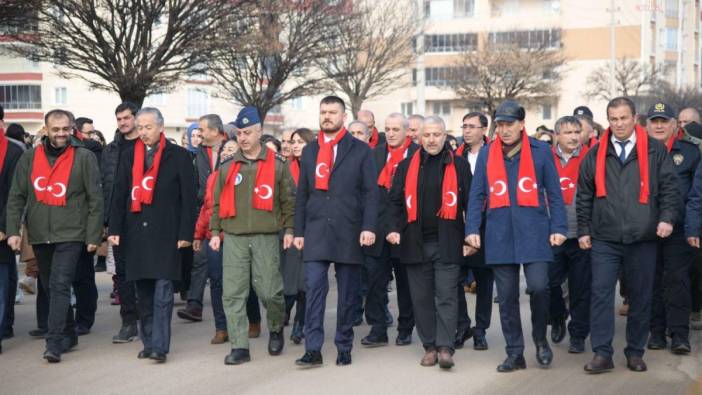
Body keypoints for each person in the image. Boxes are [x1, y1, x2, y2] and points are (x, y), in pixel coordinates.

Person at [577, 97, 680, 373]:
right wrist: (584, 230)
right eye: (613, 119)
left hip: (642, 237)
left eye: (624, 118)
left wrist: (667, 218)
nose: (619, 124)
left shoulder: (655, 151)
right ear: (608, 121)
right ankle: (602, 353)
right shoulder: (595, 153)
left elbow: (671, 187)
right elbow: (584, 195)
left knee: (641, 296)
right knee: (600, 295)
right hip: (604, 239)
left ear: (635, 118)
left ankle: (635, 352)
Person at [466, 100, 567, 373]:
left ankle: (540, 340)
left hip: (534, 232)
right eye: (500, 124)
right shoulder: (488, 154)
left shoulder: (541, 151)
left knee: (538, 287)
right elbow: (477, 195)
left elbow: (555, 195)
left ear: (522, 125)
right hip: (499, 233)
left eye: (509, 124)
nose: (504, 130)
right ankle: (515, 353)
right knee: (507, 296)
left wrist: (559, 228)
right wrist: (472, 230)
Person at [6, 109, 103, 362]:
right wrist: (14, 230)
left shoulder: (84, 157)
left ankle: (54, 341)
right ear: (46, 130)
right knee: (50, 287)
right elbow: (16, 196)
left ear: (72, 129)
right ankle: (69, 333)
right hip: (39, 233)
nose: (61, 134)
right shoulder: (29, 158)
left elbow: (95, 199)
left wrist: (93, 236)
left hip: (71, 233)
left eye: (66, 129)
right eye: (56, 129)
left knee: (60, 285)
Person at [293, 96, 378, 367]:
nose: (327, 116)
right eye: (323, 112)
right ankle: (313, 348)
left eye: (332, 112)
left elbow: (371, 193)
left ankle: (344, 344)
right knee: (314, 289)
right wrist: (298, 230)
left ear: (343, 116)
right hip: (316, 229)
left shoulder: (360, 150)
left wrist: (368, 227)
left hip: (349, 230)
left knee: (348, 293)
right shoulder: (310, 151)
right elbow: (303, 194)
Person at [107, 108, 197, 363]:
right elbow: (119, 194)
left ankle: (160, 345)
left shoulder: (178, 156)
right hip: (136, 233)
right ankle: (148, 342)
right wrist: (114, 228)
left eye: (148, 127)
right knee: (143, 293)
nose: (144, 132)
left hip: (167, 234)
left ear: (161, 127)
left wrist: (186, 233)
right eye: (141, 127)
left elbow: (189, 199)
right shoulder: (128, 155)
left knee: (163, 292)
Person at [209, 106, 295, 365]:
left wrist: (289, 230)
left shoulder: (278, 166)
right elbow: (215, 202)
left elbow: (289, 201)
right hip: (234, 237)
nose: (243, 138)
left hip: (266, 237)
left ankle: (276, 327)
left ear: (259, 131)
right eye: (239, 134)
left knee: (270, 292)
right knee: (233, 294)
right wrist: (214, 232)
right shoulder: (227, 166)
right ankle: (239, 346)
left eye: (247, 132)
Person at [386, 115, 471, 369]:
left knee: (446, 296)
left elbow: (472, 203)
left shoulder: (459, 165)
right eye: (427, 135)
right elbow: (393, 203)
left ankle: (446, 347)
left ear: (445, 137)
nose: (431, 139)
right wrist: (392, 228)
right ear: (419, 138)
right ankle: (430, 346)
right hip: (415, 242)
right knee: (421, 298)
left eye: (437, 135)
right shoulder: (405, 167)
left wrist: (472, 235)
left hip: (448, 241)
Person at [644, 102, 699, 354]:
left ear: (674, 125)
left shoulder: (689, 152)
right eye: (654, 121)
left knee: (677, 281)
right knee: (650, 280)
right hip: (646, 227)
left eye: (663, 121)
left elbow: (694, 194)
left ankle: (679, 334)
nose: (658, 125)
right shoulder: (639, 152)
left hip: (677, 228)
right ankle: (656, 332)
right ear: (646, 125)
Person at [360, 113, 418, 349]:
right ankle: (378, 328)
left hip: (405, 231)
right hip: (377, 230)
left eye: (396, 129)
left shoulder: (416, 154)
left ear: (406, 131)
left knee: (405, 284)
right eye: (388, 129)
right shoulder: (375, 154)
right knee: (374, 282)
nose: (391, 133)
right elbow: (367, 192)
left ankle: (405, 328)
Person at [547, 116, 592, 353]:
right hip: (553, 233)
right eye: (568, 132)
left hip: (581, 234)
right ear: (557, 135)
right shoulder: (544, 157)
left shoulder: (591, 157)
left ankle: (578, 334)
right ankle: (556, 317)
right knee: (549, 284)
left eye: (577, 131)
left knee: (581, 288)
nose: (574, 137)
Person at [178, 114, 228, 324]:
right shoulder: (200, 153)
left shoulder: (232, 148)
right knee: (200, 259)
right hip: (204, 212)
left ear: (215, 132)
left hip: (227, 214)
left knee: (224, 267)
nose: (199, 134)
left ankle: (231, 309)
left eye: (203, 130)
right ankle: (194, 305)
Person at [193, 139, 239, 345]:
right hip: (215, 238)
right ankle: (222, 327)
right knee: (217, 281)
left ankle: (251, 318)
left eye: (232, 150)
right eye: (224, 150)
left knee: (241, 283)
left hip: (238, 237)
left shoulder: (243, 176)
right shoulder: (213, 178)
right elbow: (207, 208)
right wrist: (198, 234)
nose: (227, 153)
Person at [102, 102, 141, 344]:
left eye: (127, 118)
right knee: (122, 274)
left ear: (136, 118)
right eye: (119, 119)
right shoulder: (111, 150)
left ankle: (148, 318)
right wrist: (106, 221)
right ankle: (128, 323)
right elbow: (105, 186)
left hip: (144, 217)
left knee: (145, 272)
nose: (123, 122)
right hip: (118, 219)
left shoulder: (147, 146)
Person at [454, 112, 493, 351]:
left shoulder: (493, 155)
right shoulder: (455, 156)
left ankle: (481, 329)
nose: (467, 131)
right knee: (454, 278)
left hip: (486, 224)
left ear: (484, 130)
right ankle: (463, 325)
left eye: (472, 127)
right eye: (464, 126)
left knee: (484, 280)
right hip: (458, 224)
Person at [283, 128, 314, 344]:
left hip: (311, 229)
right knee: (288, 280)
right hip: (288, 230)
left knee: (305, 282)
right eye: (293, 142)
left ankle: (300, 323)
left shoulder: (317, 167)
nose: (295, 145)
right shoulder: (285, 168)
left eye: (300, 142)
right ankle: (284, 312)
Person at [0, 123, 24, 353]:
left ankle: (5, 324)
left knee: (3, 282)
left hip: (2, 228)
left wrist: (6, 227)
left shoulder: (14, 152)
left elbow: (15, 195)